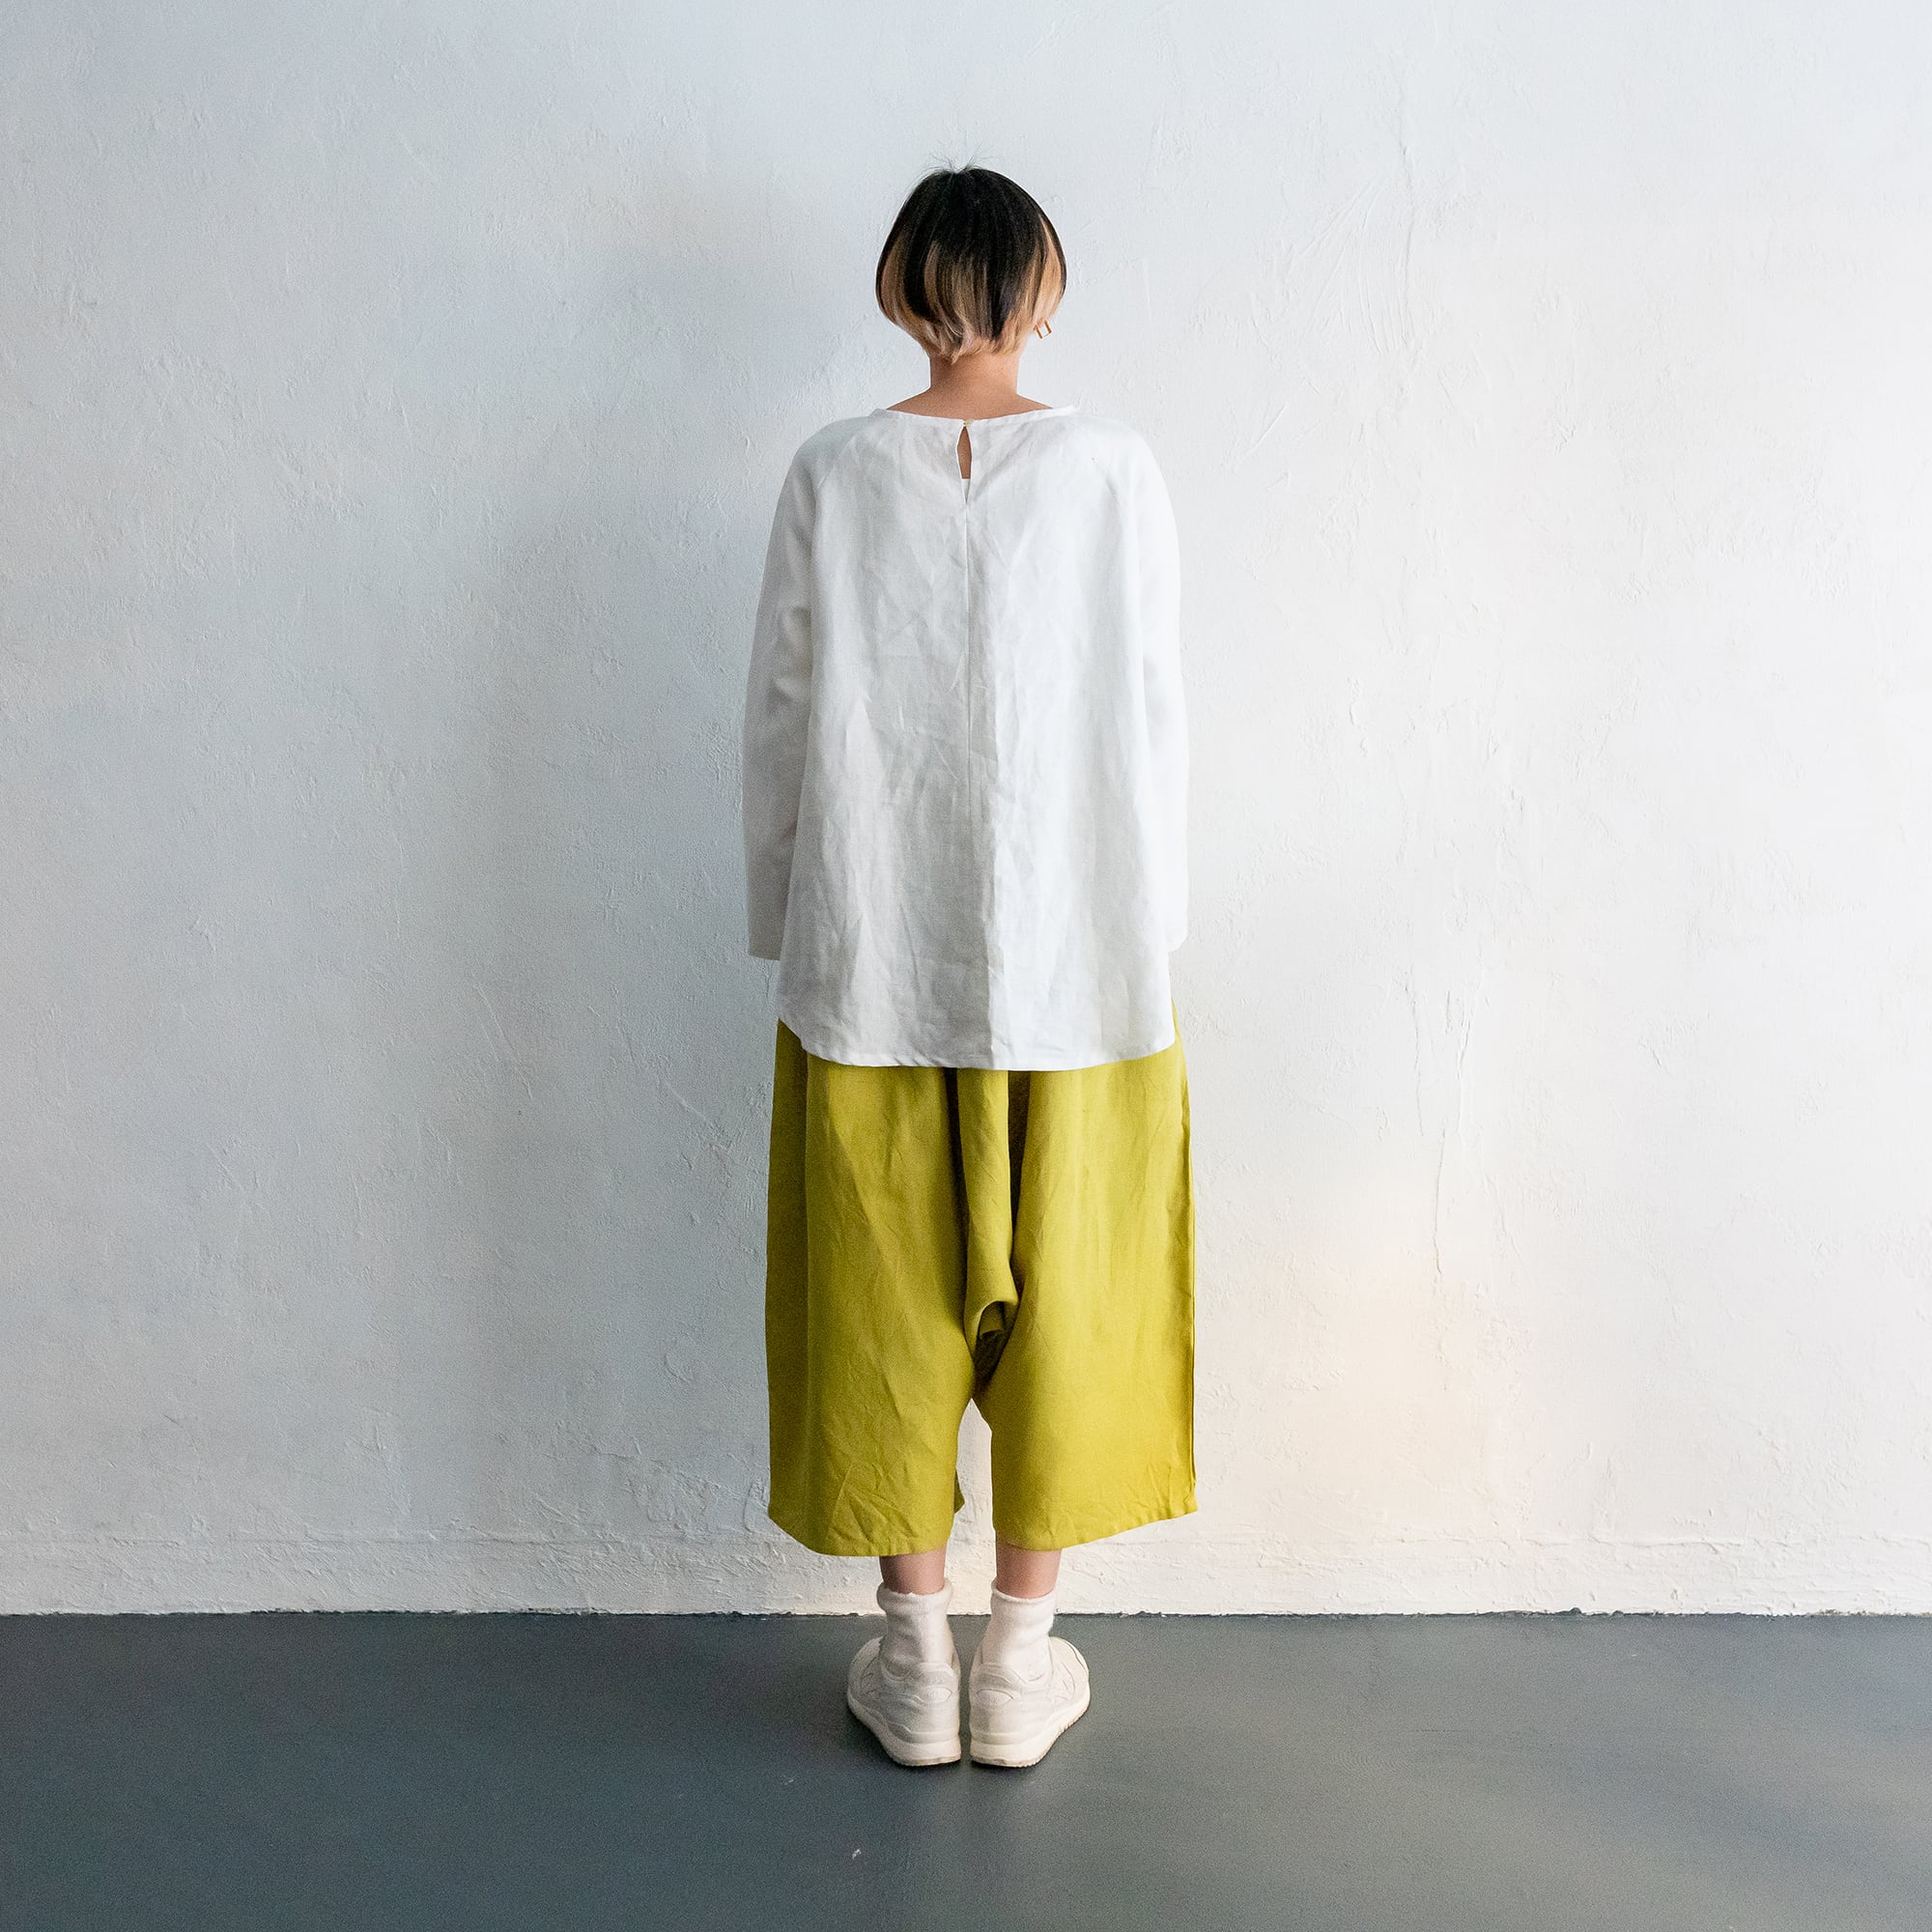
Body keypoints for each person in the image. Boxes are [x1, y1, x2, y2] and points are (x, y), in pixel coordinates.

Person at [740, 164, 1195, 1770]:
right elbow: (1153, 707)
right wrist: (1154, 920)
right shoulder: (1114, 466)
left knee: (880, 1302)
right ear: (1043, 291)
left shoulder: (832, 469)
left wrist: (789, 912)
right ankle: (1018, 1656)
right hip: (1082, 964)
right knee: (1074, 1298)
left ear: (903, 287)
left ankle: (913, 1651)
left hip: (874, 956)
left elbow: (784, 706)